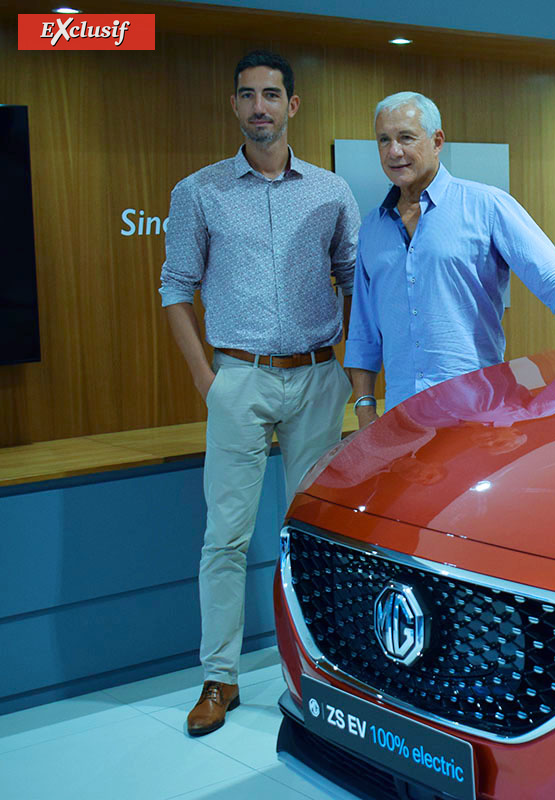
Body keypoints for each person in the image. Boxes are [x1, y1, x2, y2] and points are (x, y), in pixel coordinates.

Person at [159, 49, 359, 736]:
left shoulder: (331, 191)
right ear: (235, 106)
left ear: (293, 105)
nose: (259, 108)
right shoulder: (200, 191)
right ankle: (219, 678)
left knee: (309, 533)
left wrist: (354, 375)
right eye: (246, 96)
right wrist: (206, 380)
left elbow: (355, 279)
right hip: (237, 378)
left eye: (271, 94)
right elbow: (174, 288)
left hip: (316, 376)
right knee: (226, 537)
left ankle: (318, 667)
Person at [344, 91, 555, 427]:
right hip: (405, 418)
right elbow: (363, 329)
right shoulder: (373, 227)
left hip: (478, 412)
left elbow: (549, 272)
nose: (393, 151)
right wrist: (365, 406)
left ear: (437, 141)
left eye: (406, 138)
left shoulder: (486, 205)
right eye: (384, 140)